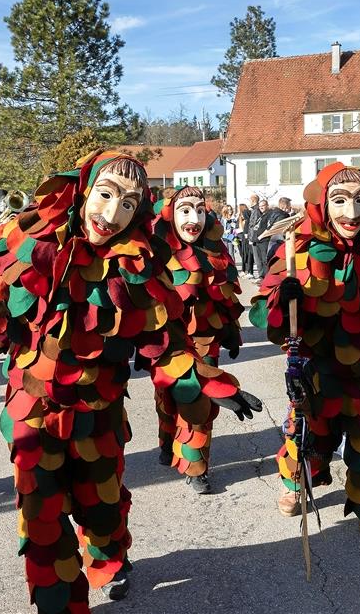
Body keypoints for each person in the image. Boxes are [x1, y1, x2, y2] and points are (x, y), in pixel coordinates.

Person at [0, 150, 261, 612]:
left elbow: (166, 347)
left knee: (102, 504)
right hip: (32, 408)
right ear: (84, 191)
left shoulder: (138, 266)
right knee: (42, 518)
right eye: (106, 195)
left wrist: (214, 384)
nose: (112, 215)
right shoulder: (26, 240)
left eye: (128, 203)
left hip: (99, 409)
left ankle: (108, 559)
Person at [250, 161, 360, 551]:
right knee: (308, 434)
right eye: (340, 200)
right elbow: (262, 312)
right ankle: (294, 485)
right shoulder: (299, 248)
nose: (352, 212)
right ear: (323, 204)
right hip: (317, 364)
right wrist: (283, 298)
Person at [150, 186, 244, 494]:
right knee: (167, 399)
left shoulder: (216, 252)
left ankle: (197, 466)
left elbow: (226, 297)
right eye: (186, 210)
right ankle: (167, 439)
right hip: (166, 340)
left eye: (200, 210)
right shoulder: (156, 251)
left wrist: (232, 331)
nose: (194, 218)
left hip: (205, 338)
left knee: (198, 401)